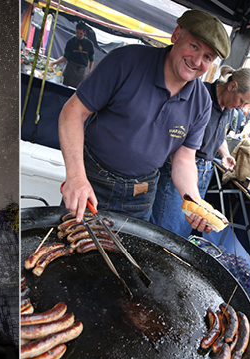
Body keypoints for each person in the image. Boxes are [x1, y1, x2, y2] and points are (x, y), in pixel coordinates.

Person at [58, 10, 231, 235]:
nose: (197, 61)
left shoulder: (202, 102)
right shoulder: (126, 60)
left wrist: (194, 200)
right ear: (176, 35)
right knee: (71, 244)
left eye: (208, 57)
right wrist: (75, 176)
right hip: (91, 180)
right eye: (194, 46)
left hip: (140, 195)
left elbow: (184, 159)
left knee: (124, 260)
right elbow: (72, 112)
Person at [151, 66, 250, 237]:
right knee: (166, 228)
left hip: (205, 171)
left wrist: (225, 154)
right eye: (241, 101)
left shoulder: (229, 109)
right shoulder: (200, 96)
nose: (241, 107)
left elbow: (219, 135)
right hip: (182, 168)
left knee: (185, 228)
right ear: (232, 86)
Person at [51, 22, 95, 88]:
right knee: (64, 87)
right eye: (77, 32)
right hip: (70, 68)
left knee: (77, 90)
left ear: (84, 33)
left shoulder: (89, 44)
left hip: (81, 70)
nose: (78, 35)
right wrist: (54, 63)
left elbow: (92, 59)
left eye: (80, 33)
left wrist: (90, 71)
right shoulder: (71, 42)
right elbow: (65, 57)